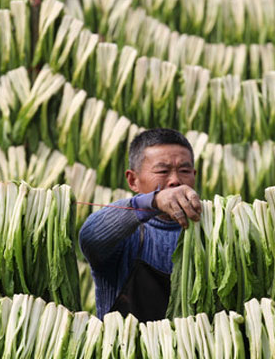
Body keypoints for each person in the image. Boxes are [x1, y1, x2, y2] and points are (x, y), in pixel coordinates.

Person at [79, 128, 202, 321]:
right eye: (162, 171)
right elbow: (90, 236)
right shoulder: (128, 234)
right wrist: (152, 202)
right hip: (123, 350)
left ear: (194, 175)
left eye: (184, 171)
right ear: (133, 180)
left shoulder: (211, 233)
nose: (175, 180)